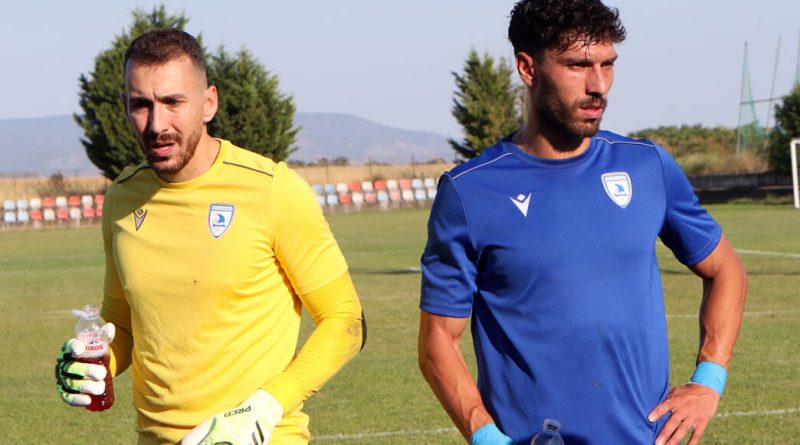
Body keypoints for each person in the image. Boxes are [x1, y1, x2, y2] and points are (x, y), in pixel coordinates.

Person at [418, 1, 747, 444]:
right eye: (577, 65)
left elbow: (726, 269)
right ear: (528, 68)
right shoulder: (470, 192)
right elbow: (438, 340)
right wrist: (486, 437)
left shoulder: (646, 166)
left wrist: (709, 379)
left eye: (607, 65)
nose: (598, 85)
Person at [55, 28, 365, 445]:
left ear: (208, 103)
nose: (157, 124)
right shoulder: (121, 199)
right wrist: (96, 363)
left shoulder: (273, 189)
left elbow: (345, 320)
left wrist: (266, 407)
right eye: (141, 105)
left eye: (173, 102)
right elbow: (122, 326)